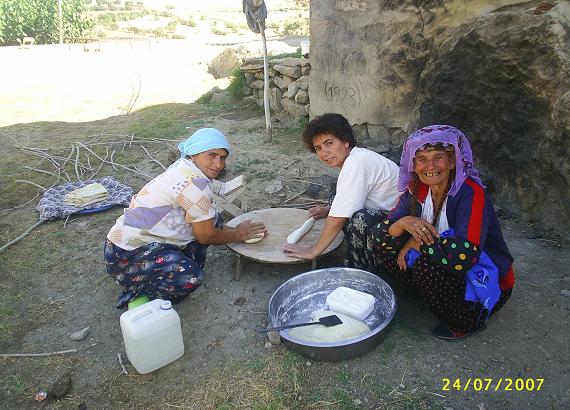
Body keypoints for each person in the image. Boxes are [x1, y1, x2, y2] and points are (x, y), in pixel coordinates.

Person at [370, 125, 515, 340]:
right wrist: (403, 223)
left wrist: (416, 242)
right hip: (442, 258)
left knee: (426, 264)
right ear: (413, 164)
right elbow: (379, 236)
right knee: (385, 240)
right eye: (422, 159)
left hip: (484, 277)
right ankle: (426, 293)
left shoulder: (471, 193)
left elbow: (465, 255)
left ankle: (465, 321)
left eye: (438, 158)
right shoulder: (416, 189)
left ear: (453, 161)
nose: (430, 166)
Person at [104, 128, 266, 308]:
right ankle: (138, 290)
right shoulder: (194, 185)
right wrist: (237, 234)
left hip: (130, 241)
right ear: (194, 154)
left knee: (212, 217)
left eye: (222, 158)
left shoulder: (185, 166)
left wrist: (234, 231)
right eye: (212, 155)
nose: (219, 164)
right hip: (127, 256)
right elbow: (206, 236)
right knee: (191, 277)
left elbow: (209, 223)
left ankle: (169, 262)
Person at [282, 113, 400, 267]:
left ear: (345, 141)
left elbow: (338, 218)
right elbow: (353, 196)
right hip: (386, 212)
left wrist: (313, 251)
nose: (324, 153)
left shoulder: (357, 162)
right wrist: (329, 210)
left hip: (399, 225)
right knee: (335, 198)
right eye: (318, 148)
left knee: (361, 219)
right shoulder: (356, 157)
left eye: (329, 143)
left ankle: (362, 268)